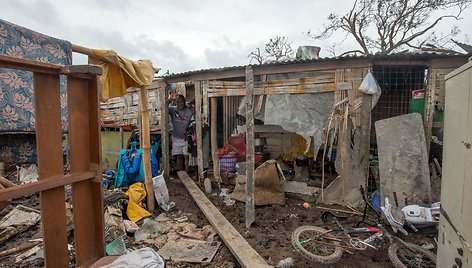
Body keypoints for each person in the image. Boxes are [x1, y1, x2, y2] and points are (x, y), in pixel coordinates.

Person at [168, 92, 193, 174]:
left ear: (184, 101)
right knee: (179, 156)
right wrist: (171, 99)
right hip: (176, 137)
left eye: (182, 101)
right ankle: (182, 174)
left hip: (186, 138)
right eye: (178, 102)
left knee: (186, 156)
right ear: (176, 102)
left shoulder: (189, 110)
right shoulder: (173, 109)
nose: (180, 104)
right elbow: (163, 106)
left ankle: (187, 174)